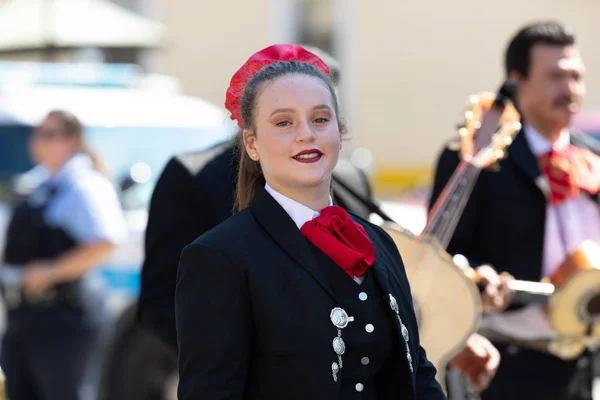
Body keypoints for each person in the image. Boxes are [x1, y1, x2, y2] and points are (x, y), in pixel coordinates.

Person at [138, 44, 500, 395]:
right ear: (250, 143)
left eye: (320, 119)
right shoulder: (219, 256)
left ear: (339, 131)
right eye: (284, 122)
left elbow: (416, 374)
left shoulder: (380, 244)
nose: (306, 133)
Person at [429, 21, 600, 400]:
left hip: (584, 360)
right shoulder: (477, 155)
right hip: (505, 361)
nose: (570, 89)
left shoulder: (593, 156)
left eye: (576, 77)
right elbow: (439, 254)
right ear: (516, 80)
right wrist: (477, 278)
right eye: (555, 76)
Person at [0, 110, 128, 400]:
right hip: (24, 315)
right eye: (38, 133)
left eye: (50, 134)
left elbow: (106, 241)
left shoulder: (84, 185)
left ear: (73, 141)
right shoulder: (37, 183)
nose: (39, 141)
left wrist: (50, 271)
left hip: (64, 315)